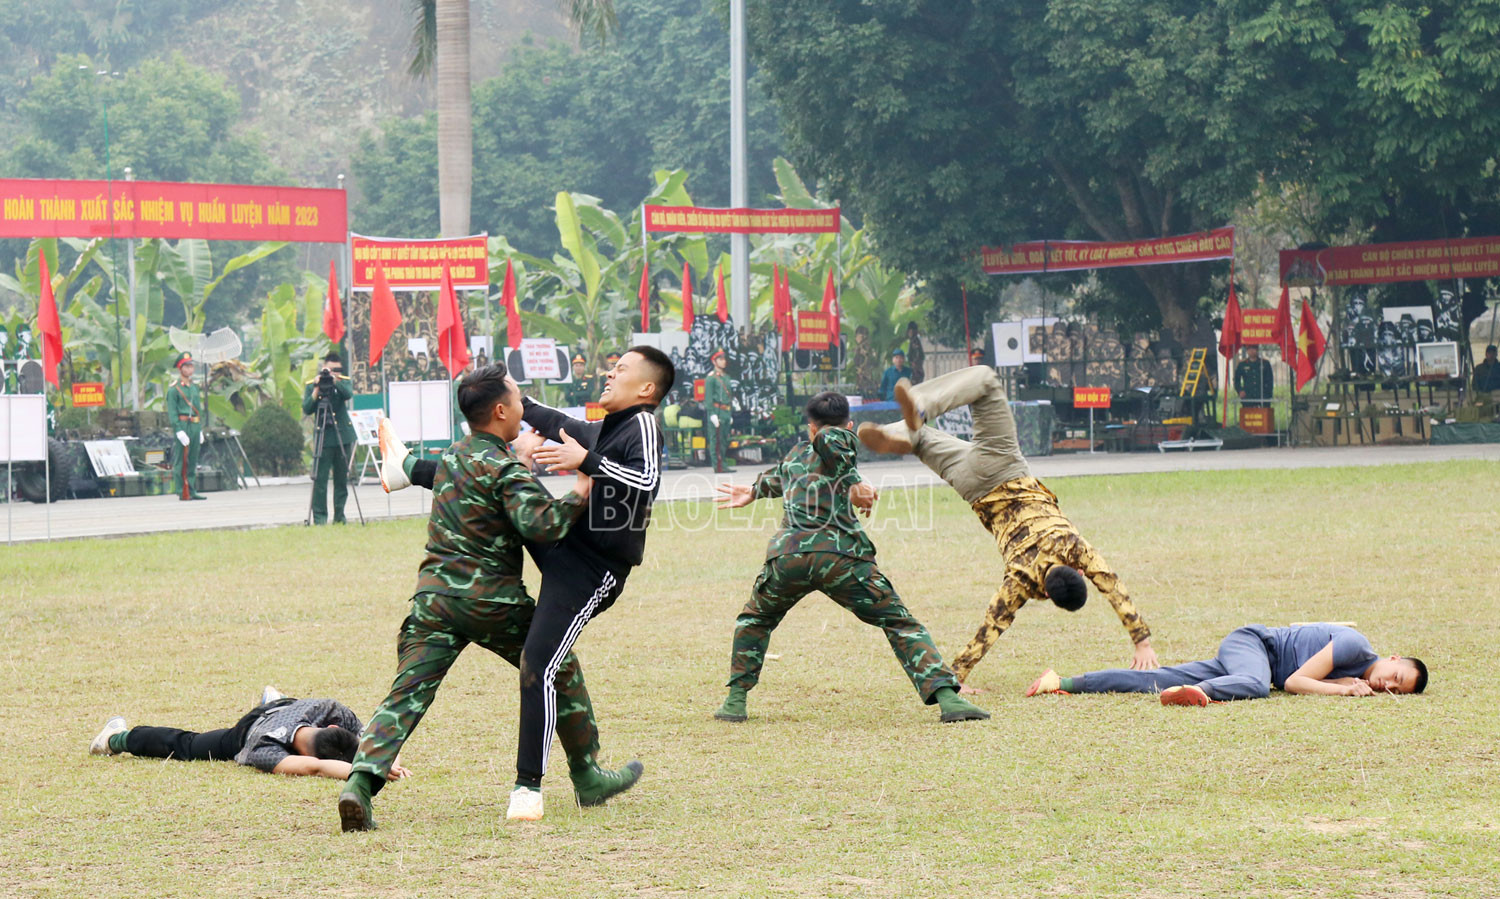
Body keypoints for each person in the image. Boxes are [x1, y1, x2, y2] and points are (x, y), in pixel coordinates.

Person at [340, 363, 642, 832]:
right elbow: (543, 524)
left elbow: (478, 473)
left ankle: (360, 782)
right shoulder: (504, 469)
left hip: (432, 599)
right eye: (519, 399)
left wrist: (514, 455)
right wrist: (581, 489)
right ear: (502, 411)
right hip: (491, 603)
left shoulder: (454, 458)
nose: (524, 407)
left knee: (407, 693)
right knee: (556, 668)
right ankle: (587, 775)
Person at [856, 366, 1156, 683]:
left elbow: (1111, 584)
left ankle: (918, 411)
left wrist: (1142, 640)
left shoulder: (1073, 546)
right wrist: (957, 675)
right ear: (1051, 597)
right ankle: (905, 435)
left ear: (1079, 571)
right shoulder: (1022, 582)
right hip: (972, 487)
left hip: (1003, 465)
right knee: (921, 438)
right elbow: (993, 624)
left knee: (985, 379)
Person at [713, 392, 990, 724]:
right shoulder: (838, 438)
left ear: (809, 427)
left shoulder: (801, 452)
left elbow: (789, 469)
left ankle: (735, 701)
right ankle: (948, 699)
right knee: (900, 622)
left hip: (790, 557)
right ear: (850, 425)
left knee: (755, 621)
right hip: (842, 558)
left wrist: (756, 490)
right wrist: (853, 480)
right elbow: (830, 444)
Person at [1026, 623, 1427, 705]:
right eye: (1397, 676)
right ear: (1393, 658)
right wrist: (1342, 690)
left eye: (1398, 689)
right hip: (1252, 646)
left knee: (1152, 679)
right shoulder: (1357, 646)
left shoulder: (1357, 671)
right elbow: (1294, 682)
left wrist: (1347, 685)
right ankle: (1199, 694)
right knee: (1255, 685)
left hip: (1248, 660)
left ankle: (1063, 681)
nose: (1389, 685)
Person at [89, 686, 392, 780]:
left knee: (280, 706)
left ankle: (273, 699)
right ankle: (115, 738)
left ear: (332, 727)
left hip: (288, 709)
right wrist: (368, 770)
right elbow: (315, 766)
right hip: (247, 731)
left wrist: (389, 758)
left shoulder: (330, 709)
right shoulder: (266, 748)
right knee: (186, 745)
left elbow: (381, 733)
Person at [302, 350, 356, 525]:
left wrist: (334, 381)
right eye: (330, 369)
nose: (334, 372)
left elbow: (348, 394)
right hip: (323, 438)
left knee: (341, 479)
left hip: (342, 436)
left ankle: (339, 517)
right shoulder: (313, 385)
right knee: (320, 481)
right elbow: (307, 408)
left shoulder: (343, 383)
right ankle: (320, 519)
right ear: (324, 367)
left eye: (338, 369)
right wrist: (317, 389)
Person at [166, 353, 206, 501]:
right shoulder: (174, 389)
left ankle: (192, 489)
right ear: (180, 368)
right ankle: (181, 489)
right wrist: (178, 430)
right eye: (187, 366)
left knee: (193, 458)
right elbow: (172, 412)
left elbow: (198, 408)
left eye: (191, 366)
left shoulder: (194, 388)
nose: (190, 369)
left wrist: (200, 428)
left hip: (194, 424)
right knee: (181, 459)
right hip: (183, 425)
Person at [704, 348, 733, 473]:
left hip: (726, 411)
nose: (724, 361)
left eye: (724, 358)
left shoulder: (726, 377)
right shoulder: (711, 378)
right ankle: (718, 466)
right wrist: (712, 414)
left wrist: (730, 413)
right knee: (716, 440)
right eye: (720, 359)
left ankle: (723, 463)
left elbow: (728, 396)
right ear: (714, 361)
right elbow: (708, 398)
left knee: (724, 440)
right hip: (717, 410)